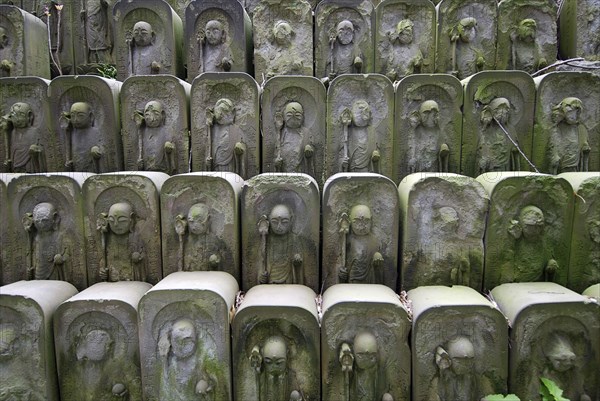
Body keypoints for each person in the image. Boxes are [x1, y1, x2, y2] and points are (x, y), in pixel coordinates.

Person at [158, 319, 216, 401]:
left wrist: (205, 383)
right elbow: (166, 388)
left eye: (188, 341)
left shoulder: (200, 360)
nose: (183, 346)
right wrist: (164, 358)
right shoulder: (171, 362)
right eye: (177, 341)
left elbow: (214, 380)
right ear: (171, 341)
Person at [504, 205, 558, 283]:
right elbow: (505, 261)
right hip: (517, 283)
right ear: (521, 224)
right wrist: (512, 240)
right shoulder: (516, 240)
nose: (534, 230)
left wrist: (551, 266)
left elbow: (549, 261)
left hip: (539, 284)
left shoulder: (543, 243)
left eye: (538, 227)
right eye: (529, 227)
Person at [430, 336, 493, 401]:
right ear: (449, 359)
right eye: (460, 362)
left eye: (468, 362)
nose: (465, 366)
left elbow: (483, 397)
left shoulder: (474, 378)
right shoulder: (440, 380)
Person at [174, 203, 232, 272]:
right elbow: (180, 266)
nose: (195, 225)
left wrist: (215, 261)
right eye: (191, 221)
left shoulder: (215, 241)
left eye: (199, 220)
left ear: (208, 219)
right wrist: (180, 236)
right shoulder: (186, 240)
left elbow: (226, 262)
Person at [97, 202, 146, 282]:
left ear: (131, 219)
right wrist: (103, 272)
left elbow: (147, 261)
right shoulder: (107, 239)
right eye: (112, 220)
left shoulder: (137, 239)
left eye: (122, 220)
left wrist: (138, 258)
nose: (116, 224)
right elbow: (104, 261)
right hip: (113, 282)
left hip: (131, 280)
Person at [257, 204, 305, 285]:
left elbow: (299, 262)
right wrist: (261, 276)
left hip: (288, 277)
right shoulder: (267, 239)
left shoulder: (294, 239)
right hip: (271, 278)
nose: (279, 226)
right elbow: (261, 261)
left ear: (291, 220)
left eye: (284, 222)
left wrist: (297, 260)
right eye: (275, 222)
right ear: (268, 221)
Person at [339, 331, 394, 401]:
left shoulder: (379, 371)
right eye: (361, 356)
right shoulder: (352, 368)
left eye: (371, 356)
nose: (366, 360)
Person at [22, 202, 69, 281]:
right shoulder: (36, 238)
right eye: (37, 221)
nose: (41, 224)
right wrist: (31, 268)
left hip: (53, 269)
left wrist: (62, 258)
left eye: (45, 220)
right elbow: (34, 255)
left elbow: (67, 253)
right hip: (38, 270)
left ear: (55, 219)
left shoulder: (59, 237)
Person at [339, 205, 384, 284]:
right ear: (350, 221)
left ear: (371, 220)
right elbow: (341, 258)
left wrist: (377, 256)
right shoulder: (348, 239)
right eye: (357, 222)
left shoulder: (374, 240)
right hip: (353, 276)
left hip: (369, 277)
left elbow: (377, 256)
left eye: (366, 221)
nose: (362, 226)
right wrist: (342, 272)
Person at [540, 333, 591, 401]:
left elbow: (580, 392)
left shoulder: (574, 374)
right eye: (561, 359)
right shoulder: (545, 374)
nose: (567, 363)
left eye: (571, 360)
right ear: (549, 359)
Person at [250, 336, 301, 401]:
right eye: (268, 362)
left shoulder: (291, 375)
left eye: (279, 362)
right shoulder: (261, 375)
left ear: (287, 355)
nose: (274, 367)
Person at [477, 97, 520, 173]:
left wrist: (514, 148)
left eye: (506, 110)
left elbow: (514, 145)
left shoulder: (510, 129)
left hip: (505, 162)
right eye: (498, 110)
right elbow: (482, 146)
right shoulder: (487, 129)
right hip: (490, 163)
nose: (502, 113)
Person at [206, 98, 247, 177]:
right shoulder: (212, 130)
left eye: (225, 113)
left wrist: (240, 149)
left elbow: (243, 146)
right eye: (220, 113)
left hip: (230, 165)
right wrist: (207, 162)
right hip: (215, 166)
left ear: (232, 113)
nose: (222, 116)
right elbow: (208, 148)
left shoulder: (236, 130)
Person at [548, 97, 590, 173]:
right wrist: (555, 154)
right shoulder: (557, 127)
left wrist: (585, 147)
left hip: (574, 156)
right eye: (570, 113)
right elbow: (553, 142)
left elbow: (584, 141)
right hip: (563, 155)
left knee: (572, 171)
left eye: (575, 113)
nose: (573, 116)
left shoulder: (580, 127)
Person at [1, 102, 45, 172]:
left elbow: (40, 149)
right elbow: (13, 149)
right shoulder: (13, 132)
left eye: (20, 115)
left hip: (29, 164)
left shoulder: (34, 132)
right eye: (13, 115)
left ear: (29, 116)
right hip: (15, 163)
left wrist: (35, 150)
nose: (16, 118)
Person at [134, 100, 176, 173]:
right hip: (147, 171)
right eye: (147, 115)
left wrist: (169, 148)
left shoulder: (167, 131)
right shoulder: (142, 132)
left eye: (156, 114)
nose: (152, 119)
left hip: (163, 169)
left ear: (163, 114)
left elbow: (172, 148)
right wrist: (140, 163)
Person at [62, 101, 104, 173]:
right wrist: (68, 163)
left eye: (80, 116)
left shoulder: (96, 132)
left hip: (92, 168)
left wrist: (96, 150)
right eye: (72, 116)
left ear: (90, 116)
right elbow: (68, 151)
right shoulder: (71, 133)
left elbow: (104, 147)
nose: (76, 120)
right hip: (77, 170)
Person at [274, 101, 315, 175]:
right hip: (284, 170)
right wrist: (276, 162)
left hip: (300, 169)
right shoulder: (281, 133)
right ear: (283, 117)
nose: (293, 118)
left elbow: (312, 149)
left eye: (297, 115)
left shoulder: (306, 133)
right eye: (289, 115)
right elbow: (275, 152)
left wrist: (309, 150)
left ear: (303, 116)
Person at [408, 100, 449, 173]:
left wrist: (443, 148)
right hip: (420, 162)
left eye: (434, 115)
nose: (431, 118)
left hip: (433, 162)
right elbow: (412, 144)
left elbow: (442, 143)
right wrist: (413, 157)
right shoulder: (418, 129)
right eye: (428, 114)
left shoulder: (438, 131)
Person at [342, 100, 380, 173]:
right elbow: (341, 153)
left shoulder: (372, 131)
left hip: (367, 168)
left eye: (362, 114)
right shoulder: (348, 132)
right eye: (357, 114)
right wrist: (343, 162)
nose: (359, 117)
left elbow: (376, 149)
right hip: (352, 168)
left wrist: (376, 155)